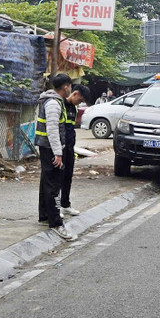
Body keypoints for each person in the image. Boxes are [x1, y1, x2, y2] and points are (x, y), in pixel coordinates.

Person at [35, 73, 77, 241]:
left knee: (46, 182)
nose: (71, 90)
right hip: (51, 148)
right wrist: (58, 153)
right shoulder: (53, 103)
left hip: (47, 147)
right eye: (70, 87)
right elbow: (52, 129)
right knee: (53, 185)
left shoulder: (52, 101)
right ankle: (56, 223)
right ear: (66, 86)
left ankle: (45, 214)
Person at [61, 84, 91, 218]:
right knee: (58, 179)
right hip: (60, 148)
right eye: (80, 99)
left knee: (68, 176)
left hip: (69, 147)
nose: (80, 102)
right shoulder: (60, 105)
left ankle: (65, 205)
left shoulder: (73, 108)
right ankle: (57, 207)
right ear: (75, 93)